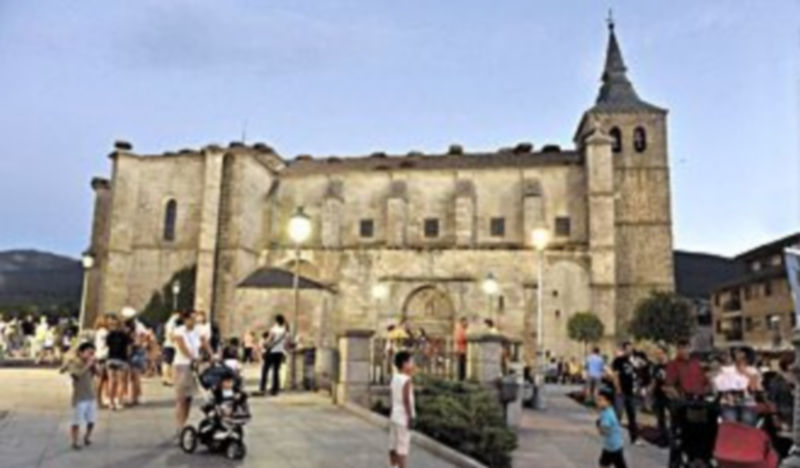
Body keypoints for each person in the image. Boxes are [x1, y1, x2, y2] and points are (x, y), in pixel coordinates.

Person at [172, 311, 207, 433]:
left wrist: (212, 356)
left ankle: (185, 422)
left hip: (194, 366)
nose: (194, 321)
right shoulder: (179, 331)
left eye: (195, 319)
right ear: (185, 320)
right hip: (182, 364)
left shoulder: (198, 331)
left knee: (189, 397)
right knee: (181, 397)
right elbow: (182, 347)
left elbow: (205, 343)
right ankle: (179, 426)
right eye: (192, 319)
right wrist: (192, 357)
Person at [61, 342, 98, 450]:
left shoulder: (91, 364)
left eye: (92, 353)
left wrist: (94, 366)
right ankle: (74, 441)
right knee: (76, 421)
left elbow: (99, 373)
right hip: (80, 397)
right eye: (88, 352)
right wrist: (88, 365)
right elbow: (76, 375)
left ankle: (87, 437)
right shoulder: (74, 363)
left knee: (91, 421)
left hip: (91, 395)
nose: (90, 355)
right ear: (81, 352)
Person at [389, 350, 416, 468]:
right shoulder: (406, 380)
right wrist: (410, 416)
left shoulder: (395, 378)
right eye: (411, 362)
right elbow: (406, 400)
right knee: (403, 449)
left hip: (395, 415)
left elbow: (392, 397)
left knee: (393, 445)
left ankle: (393, 466)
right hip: (403, 418)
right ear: (404, 364)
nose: (412, 365)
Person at [611, 342, 640, 445]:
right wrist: (618, 388)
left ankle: (634, 438)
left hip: (631, 392)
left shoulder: (633, 361)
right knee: (618, 415)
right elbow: (615, 375)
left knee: (632, 416)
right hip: (621, 392)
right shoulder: (618, 361)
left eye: (631, 348)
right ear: (623, 349)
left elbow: (637, 374)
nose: (630, 350)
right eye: (627, 349)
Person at [596, 386, 627, 468]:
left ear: (608, 402)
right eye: (597, 399)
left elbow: (603, 432)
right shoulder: (606, 410)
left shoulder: (608, 415)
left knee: (606, 464)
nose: (598, 402)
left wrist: (598, 426)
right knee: (603, 464)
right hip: (610, 446)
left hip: (613, 448)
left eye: (600, 400)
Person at [106, 315, 131, 410]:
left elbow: (108, 345)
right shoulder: (125, 335)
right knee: (121, 382)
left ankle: (111, 402)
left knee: (111, 381)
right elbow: (128, 349)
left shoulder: (109, 335)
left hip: (111, 358)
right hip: (122, 359)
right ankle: (119, 401)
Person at [260, 314, 288, 396]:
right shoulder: (284, 331)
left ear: (276, 321)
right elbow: (286, 343)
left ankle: (263, 387)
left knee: (265, 370)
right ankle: (275, 389)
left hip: (271, 351)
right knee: (276, 371)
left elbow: (269, 339)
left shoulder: (274, 329)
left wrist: (265, 344)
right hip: (279, 352)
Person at [649, 344, 669, 446]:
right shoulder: (656, 367)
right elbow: (654, 381)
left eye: (660, 353)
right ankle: (662, 438)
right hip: (659, 395)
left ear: (665, 353)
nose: (658, 356)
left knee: (673, 418)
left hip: (670, 396)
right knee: (660, 418)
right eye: (657, 354)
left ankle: (672, 438)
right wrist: (650, 393)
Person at [93, 315, 110, 408]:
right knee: (102, 379)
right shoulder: (104, 332)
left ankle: (100, 398)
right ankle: (99, 399)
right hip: (104, 356)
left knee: (102, 379)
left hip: (99, 355)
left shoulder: (98, 332)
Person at [161, 310, 180, 386]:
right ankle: (167, 378)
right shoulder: (171, 323)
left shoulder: (171, 322)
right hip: (170, 345)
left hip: (170, 345)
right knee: (167, 363)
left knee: (169, 362)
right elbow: (169, 334)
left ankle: (167, 378)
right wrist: (174, 341)